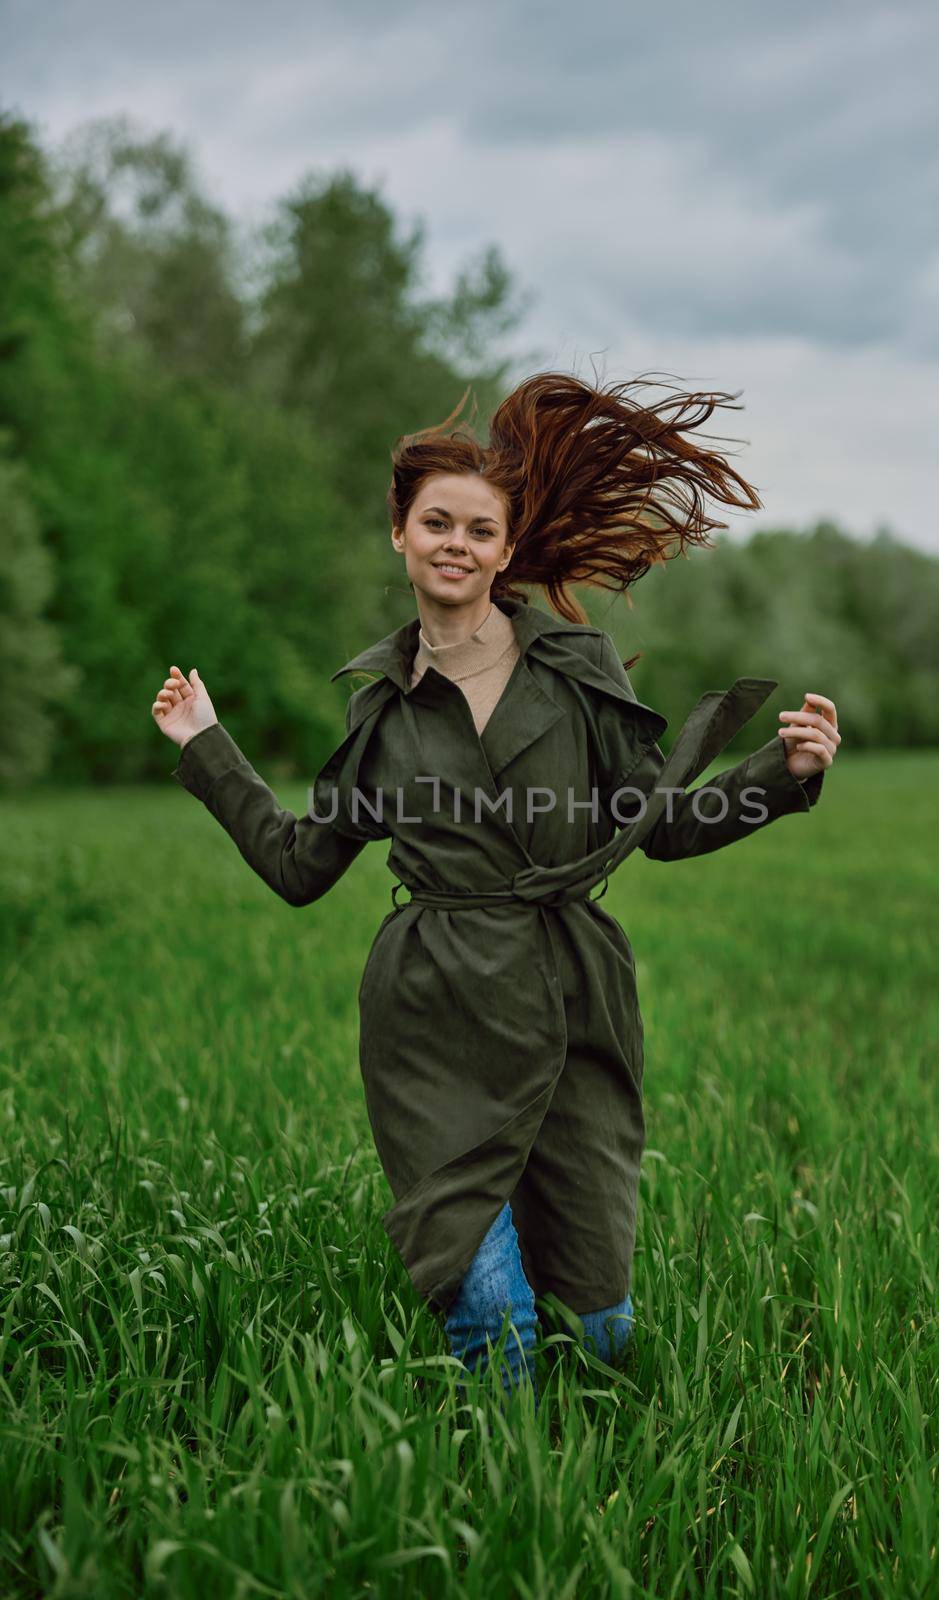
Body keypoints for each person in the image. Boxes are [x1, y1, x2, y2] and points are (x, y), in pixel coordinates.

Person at [152, 371, 840, 1412]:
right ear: (399, 532)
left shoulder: (575, 673)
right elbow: (300, 867)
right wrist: (207, 749)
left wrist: (778, 780)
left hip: (572, 1000)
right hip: (433, 1016)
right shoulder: (379, 712)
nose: (455, 543)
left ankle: (593, 1476)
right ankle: (500, 1507)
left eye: (478, 528)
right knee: (491, 1317)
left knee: (598, 1327)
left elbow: (661, 829)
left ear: (506, 549)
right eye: (436, 522)